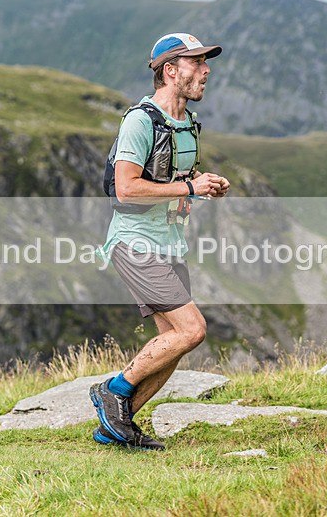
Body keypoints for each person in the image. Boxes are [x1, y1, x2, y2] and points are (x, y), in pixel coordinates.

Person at [90, 33, 230, 450]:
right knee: (192, 330)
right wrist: (189, 188)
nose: (206, 71)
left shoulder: (186, 122)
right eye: (197, 63)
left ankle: (115, 425)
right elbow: (127, 188)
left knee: (173, 343)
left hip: (170, 242)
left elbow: (171, 182)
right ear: (171, 71)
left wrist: (201, 188)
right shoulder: (139, 120)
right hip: (134, 242)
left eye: (206, 63)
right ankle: (112, 390)